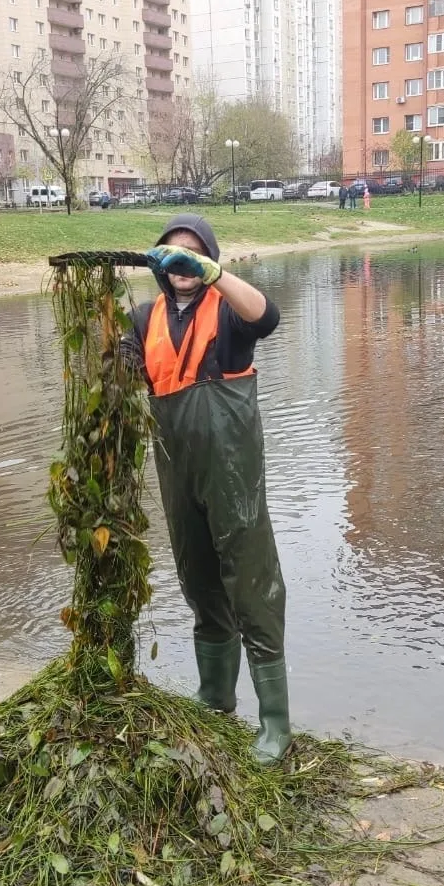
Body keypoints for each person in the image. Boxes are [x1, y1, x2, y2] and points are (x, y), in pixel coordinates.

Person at [122, 214, 291, 764]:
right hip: (177, 470)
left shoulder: (230, 314)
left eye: (192, 255)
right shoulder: (144, 318)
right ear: (159, 266)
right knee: (197, 576)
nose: (181, 266)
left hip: (234, 474)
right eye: (172, 256)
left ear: (208, 260)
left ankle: (274, 723)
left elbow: (268, 316)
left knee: (251, 582)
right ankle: (215, 699)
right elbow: (124, 372)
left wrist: (216, 274)